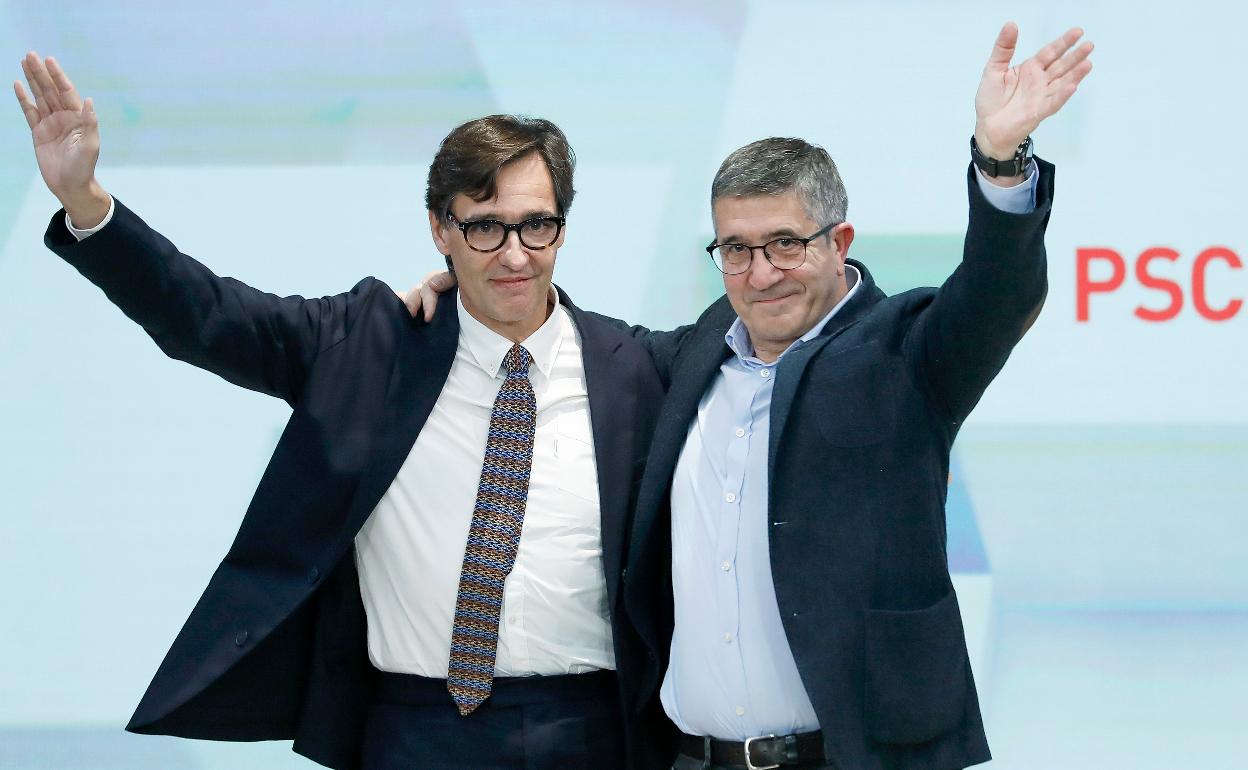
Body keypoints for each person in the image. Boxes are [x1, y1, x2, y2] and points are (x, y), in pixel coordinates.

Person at [402, 22, 1093, 769]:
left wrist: (1001, 162)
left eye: (785, 244)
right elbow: (586, 338)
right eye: (735, 248)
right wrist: (471, 290)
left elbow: (997, 293)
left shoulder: (906, 351)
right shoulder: (690, 355)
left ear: (840, 242)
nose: (760, 273)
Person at [13, 56, 665, 770]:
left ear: (562, 228)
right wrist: (86, 201)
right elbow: (208, 315)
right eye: (485, 228)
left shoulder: (634, 367)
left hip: (589, 732)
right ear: (439, 229)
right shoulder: (369, 347)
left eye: (536, 225)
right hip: (411, 731)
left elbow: (752, 321)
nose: (514, 255)